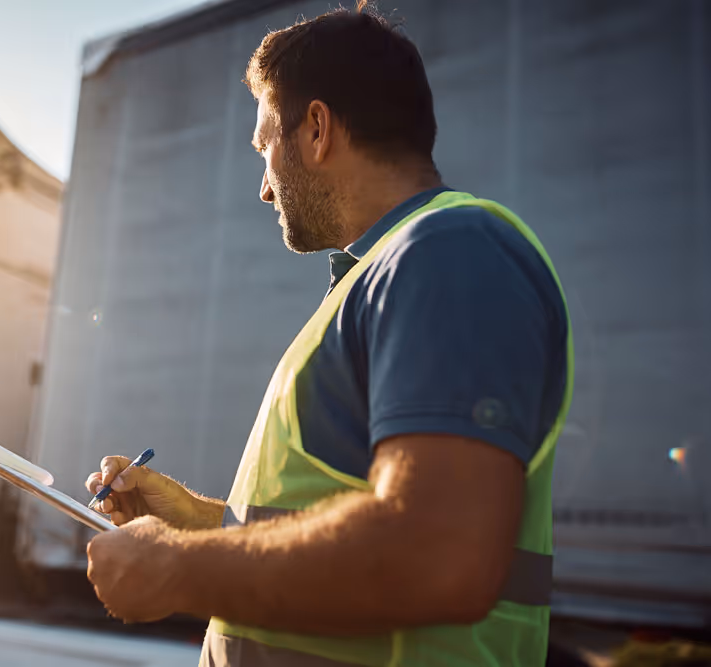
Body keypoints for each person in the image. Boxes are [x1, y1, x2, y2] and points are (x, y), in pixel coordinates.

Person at [84, 6, 572, 667]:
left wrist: (175, 566)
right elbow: (338, 521)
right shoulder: (385, 273)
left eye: (264, 147)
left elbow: (436, 551)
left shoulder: (448, 252)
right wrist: (195, 522)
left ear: (316, 129)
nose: (263, 187)